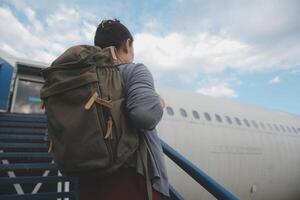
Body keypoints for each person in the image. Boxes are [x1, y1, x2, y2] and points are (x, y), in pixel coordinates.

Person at [77, 19, 169, 200]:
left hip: (87, 180)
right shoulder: (133, 71)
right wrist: (158, 102)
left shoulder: (80, 80)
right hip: (131, 181)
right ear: (127, 45)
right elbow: (145, 116)